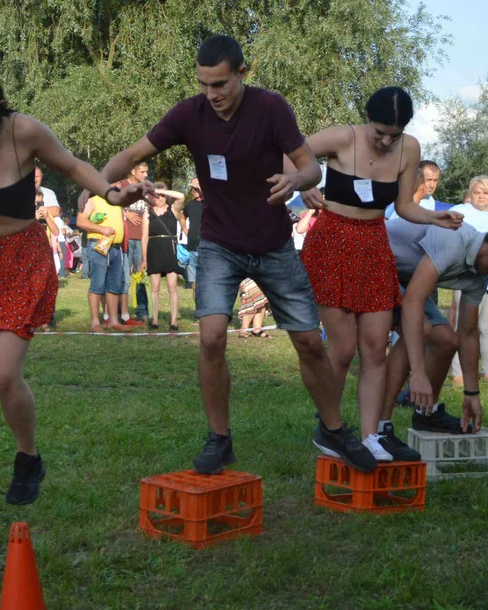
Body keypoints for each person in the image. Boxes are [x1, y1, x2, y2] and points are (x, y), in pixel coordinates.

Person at [101, 34, 376, 473]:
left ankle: (332, 428)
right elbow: (131, 153)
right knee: (211, 337)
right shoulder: (189, 114)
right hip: (219, 245)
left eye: (221, 85)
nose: (212, 95)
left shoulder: (270, 108)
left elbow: (310, 165)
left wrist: (297, 182)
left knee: (308, 341)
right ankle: (219, 439)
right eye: (204, 85)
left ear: (242, 74)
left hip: (274, 245)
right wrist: (109, 188)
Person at [0, 64, 148, 531]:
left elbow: (74, 166)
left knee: (4, 374)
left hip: (20, 258)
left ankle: (29, 457)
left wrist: (109, 192)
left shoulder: (25, 131)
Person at [295, 86, 464, 462]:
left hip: (373, 245)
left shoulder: (410, 149)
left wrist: (434, 216)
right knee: (341, 349)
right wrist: (304, 183)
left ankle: (371, 435)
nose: (387, 140)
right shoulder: (342, 136)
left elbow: (403, 206)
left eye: (395, 133)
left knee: (375, 347)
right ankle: (331, 429)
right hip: (332, 242)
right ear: (366, 120)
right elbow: (291, 154)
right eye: (380, 132)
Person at [378, 220, 488, 457]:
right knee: (422, 329)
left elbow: (468, 333)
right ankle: (380, 429)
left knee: (446, 341)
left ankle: (426, 414)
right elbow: (413, 301)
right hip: (373, 264)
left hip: (402, 277)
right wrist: (418, 374)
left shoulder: (479, 275)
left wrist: (471, 393)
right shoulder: (454, 239)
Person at [448, 176, 488, 384]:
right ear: (470, 193)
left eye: (485, 192)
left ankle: (487, 372)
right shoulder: (461, 212)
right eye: (477, 192)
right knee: (464, 326)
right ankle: (458, 373)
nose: (481, 196)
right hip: (467, 278)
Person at [79, 189, 140, 332]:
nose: (119, 183)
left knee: (114, 285)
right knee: (97, 284)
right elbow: (81, 221)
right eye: (116, 180)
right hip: (99, 244)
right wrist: (101, 229)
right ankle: (95, 323)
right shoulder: (93, 199)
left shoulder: (118, 202)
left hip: (116, 247)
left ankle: (113, 321)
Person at [143, 181, 186, 331]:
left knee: (172, 286)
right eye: (156, 196)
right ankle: (154, 319)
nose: (159, 198)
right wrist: (144, 258)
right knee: (154, 287)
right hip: (153, 249)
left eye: (162, 195)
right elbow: (144, 237)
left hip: (169, 248)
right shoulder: (148, 212)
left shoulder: (173, 209)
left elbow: (181, 196)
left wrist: (163, 191)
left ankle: (174, 320)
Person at [118, 163, 151, 321]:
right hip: (124, 238)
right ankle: (121, 312)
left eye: (147, 172)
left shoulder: (147, 189)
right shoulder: (122, 186)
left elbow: (152, 210)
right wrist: (126, 213)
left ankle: (142, 311)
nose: (145, 175)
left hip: (141, 239)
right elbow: (112, 203)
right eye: (142, 172)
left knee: (141, 277)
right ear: (133, 171)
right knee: (123, 277)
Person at [181, 177, 203, 288]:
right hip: (192, 246)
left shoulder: (210, 203)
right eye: (192, 188)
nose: (193, 190)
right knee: (195, 285)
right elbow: (182, 217)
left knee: (206, 284)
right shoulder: (189, 205)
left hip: (207, 248)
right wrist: (185, 229)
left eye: (195, 188)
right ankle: (197, 306)